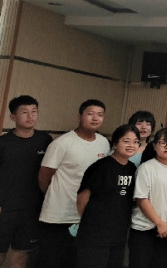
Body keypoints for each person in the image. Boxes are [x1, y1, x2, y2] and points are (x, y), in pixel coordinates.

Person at [37, 99, 111, 268]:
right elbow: (44, 177)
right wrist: (55, 196)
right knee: (51, 261)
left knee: (77, 261)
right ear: (79, 116)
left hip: (85, 216)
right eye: (90, 114)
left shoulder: (104, 143)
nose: (95, 118)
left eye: (100, 115)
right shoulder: (62, 143)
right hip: (58, 217)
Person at [75, 125, 139, 268]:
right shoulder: (101, 167)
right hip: (95, 235)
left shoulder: (132, 168)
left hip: (119, 235)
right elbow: (82, 198)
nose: (131, 145)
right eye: (126, 141)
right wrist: (90, 223)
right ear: (115, 144)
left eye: (136, 142)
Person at [0, 95, 52, 268]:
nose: (30, 116)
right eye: (24, 112)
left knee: (22, 255)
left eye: (34, 111)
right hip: (5, 208)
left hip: (32, 208)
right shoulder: (3, 143)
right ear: (12, 116)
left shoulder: (45, 140)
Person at [129, 128, 167, 268]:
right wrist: (159, 223)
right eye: (163, 142)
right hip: (144, 228)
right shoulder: (145, 168)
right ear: (154, 145)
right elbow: (141, 199)